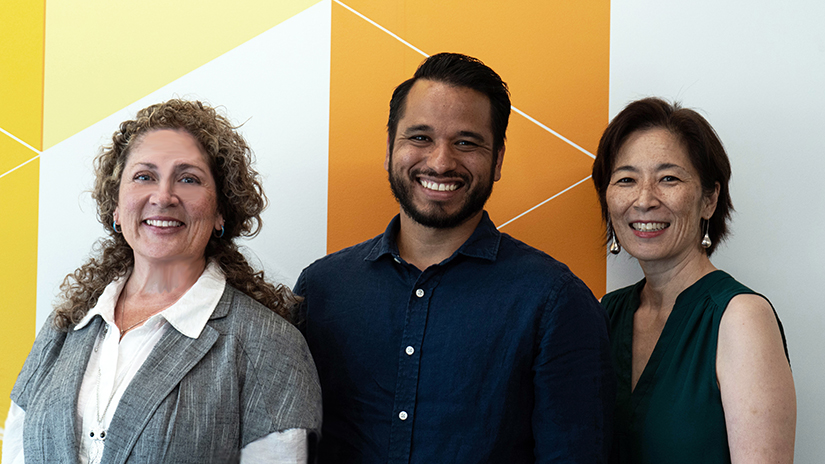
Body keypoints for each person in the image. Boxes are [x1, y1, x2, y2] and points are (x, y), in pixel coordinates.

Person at [294, 52, 614, 463]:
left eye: (466, 142)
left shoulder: (555, 301)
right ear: (391, 147)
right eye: (420, 137)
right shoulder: (321, 290)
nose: (441, 162)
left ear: (497, 159)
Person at [3, 99, 322, 464]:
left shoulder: (269, 346)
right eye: (144, 176)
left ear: (221, 211)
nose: (163, 196)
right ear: (117, 209)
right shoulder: (64, 328)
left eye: (188, 179)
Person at [591, 97, 796, 463]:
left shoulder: (741, 318)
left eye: (668, 178)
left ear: (709, 199)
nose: (643, 200)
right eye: (626, 179)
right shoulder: (606, 312)